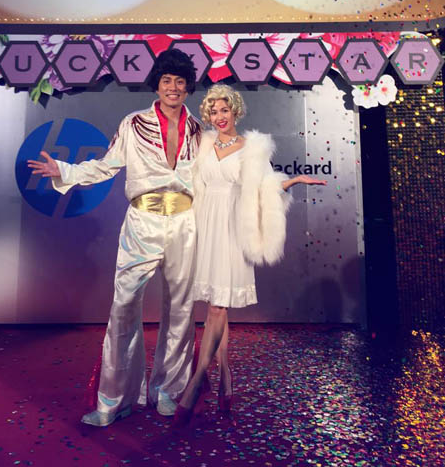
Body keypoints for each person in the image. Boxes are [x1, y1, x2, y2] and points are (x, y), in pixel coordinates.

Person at [28, 49, 202, 426]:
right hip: (142, 222)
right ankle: (113, 400)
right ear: (157, 84)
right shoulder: (134, 123)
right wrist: (65, 170)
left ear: (188, 87)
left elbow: (213, 181)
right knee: (123, 306)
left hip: (186, 223)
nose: (173, 87)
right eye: (166, 80)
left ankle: (168, 391)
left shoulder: (198, 129)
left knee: (181, 310)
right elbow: (107, 165)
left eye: (180, 81)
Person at [174, 84, 327, 425]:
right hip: (204, 225)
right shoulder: (203, 144)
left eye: (225, 110)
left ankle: (196, 383)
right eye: (214, 111)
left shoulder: (252, 148)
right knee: (215, 304)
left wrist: (291, 182)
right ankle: (226, 378)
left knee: (218, 307)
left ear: (236, 111)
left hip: (233, 228)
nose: (220, 117)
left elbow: (265, 186)